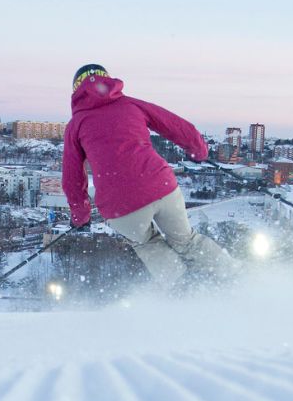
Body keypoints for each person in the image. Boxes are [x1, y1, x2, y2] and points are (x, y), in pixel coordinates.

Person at [62, 64, 235, 287]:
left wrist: (80, 217)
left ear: (76, 89)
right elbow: (175, 125)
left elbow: (72, 178)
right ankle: (232, 277)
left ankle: (185, 291)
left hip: (120, 205)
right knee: (186, 241)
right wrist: (198, 150)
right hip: (160, 185)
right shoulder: (131, 104)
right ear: (108, 80)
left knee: (148, 245)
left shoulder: (75, 125)